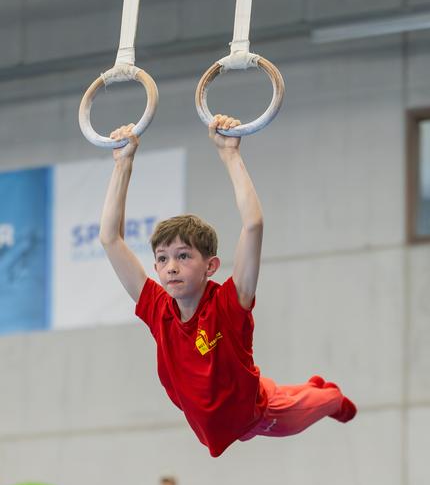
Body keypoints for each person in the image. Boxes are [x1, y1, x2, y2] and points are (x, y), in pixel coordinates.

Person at [99, 115, 357, 458]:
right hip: (218, 417)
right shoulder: (157, 308)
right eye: (162, 259)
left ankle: (332, 398)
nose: (170, 267)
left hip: (257, 413)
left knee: (320, 402)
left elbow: (253, 224)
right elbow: (109, 238)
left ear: (211, 266)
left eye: (183, 256)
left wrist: (230, 154)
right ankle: (321, 395)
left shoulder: (229, 303)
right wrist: (123, 163)